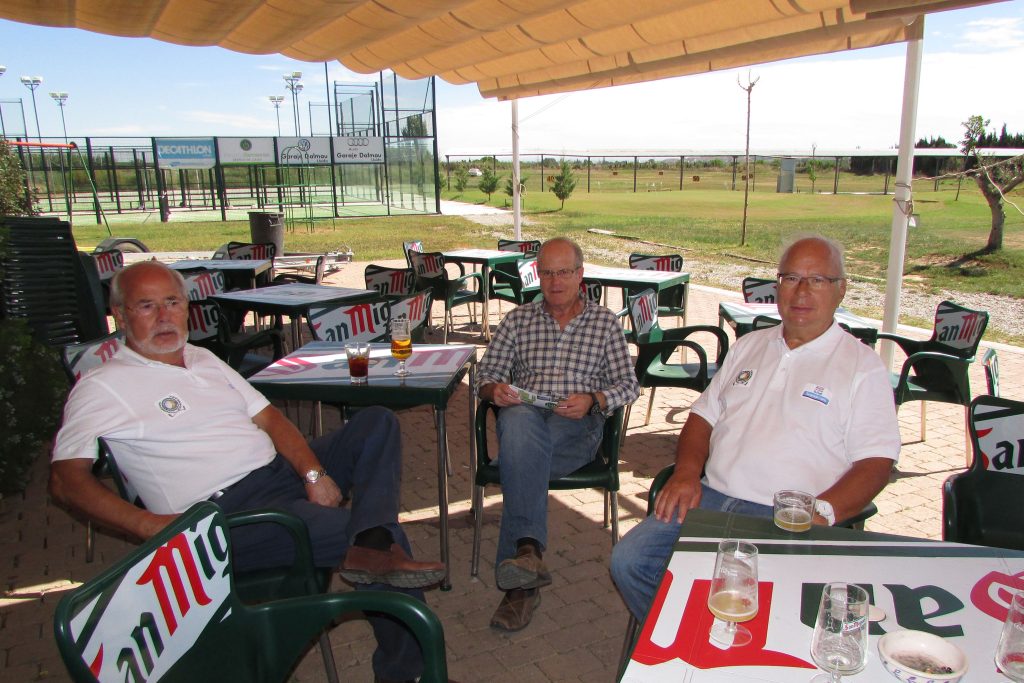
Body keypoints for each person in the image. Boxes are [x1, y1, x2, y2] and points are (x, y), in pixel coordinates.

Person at [50, 260, 445, 683]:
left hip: (277, 475)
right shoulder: (102, 386)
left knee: (376, 422)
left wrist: (313, 474)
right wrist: (148, 525)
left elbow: (269, 417)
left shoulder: (201, 357)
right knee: (377, 540)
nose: (164, 316)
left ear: (187, 307)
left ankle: (371, 542)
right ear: (121, 314)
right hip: (226, 516)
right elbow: (66, 480)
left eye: (172, 302)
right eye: (147, 306)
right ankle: (407, 671)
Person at [610, 235, 900, 621]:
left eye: (817, 280)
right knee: (631, 562)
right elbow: (702, 417)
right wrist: (685, 473)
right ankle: (691, 641)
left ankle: (714, 642)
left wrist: (821, 513)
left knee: (760, 599)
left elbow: (876, 461)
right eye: (791, 278)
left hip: (786, 517)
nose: (801, 291)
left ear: (841, 289)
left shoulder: (862, 366)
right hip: (709, 499)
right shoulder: (749, 346)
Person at [475, 237, 640, 631]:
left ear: (580, 274)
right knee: (517, 421)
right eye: (547, 272)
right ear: (538, 275)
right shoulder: (518, 320)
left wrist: (594, 399)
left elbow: (629, 385)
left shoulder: (604, 322)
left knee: (519, 458)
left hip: (577, 423)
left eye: (564, 272)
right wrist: (494, 391)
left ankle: (522, 574)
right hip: (526, 414)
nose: (555, 281)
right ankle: (527, 557)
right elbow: (485, 375)